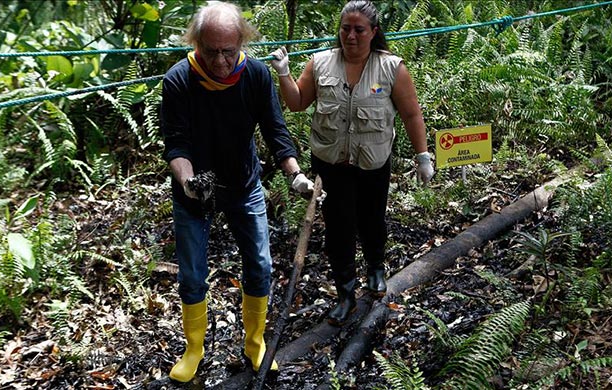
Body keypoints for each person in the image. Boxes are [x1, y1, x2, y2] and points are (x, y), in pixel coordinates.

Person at [160, 1, 315, 383]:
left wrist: (295, 175)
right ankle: (194, 348)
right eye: (210, 51)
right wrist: (188, 182)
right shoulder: (179, 80)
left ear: (241, 42)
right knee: (193, 275)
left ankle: (255, 342)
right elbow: (175, 146)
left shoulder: (257, 75)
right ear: (196, 43)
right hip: (194, 190)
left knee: (260, 265)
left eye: (229, 51)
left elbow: (276, 131)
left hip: (244, 183)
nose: (220, 61)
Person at [270, 0, 434, 326]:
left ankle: (376, 269)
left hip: (373, 162)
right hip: (331, 164)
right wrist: (284, 73)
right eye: (346, 29)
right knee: (339, 229)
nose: (351, 36)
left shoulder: (391, 68)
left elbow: (411, 114)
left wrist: (423, 157)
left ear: (374, 32)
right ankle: (345, 293)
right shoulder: (320, 64)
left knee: (372, 220)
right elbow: (298, 102)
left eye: (359, 29)